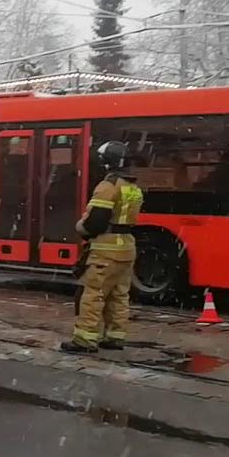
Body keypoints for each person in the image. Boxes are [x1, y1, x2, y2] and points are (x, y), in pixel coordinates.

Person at [62, 141, 145, 354]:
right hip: (127, 247)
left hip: (106, 249)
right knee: (119, 295)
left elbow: (95, 222)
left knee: (93, 294)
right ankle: (115, 336)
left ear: (105, 162)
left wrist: (81, 228)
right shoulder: (133, 187)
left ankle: (85, 340)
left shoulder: (107, 187)